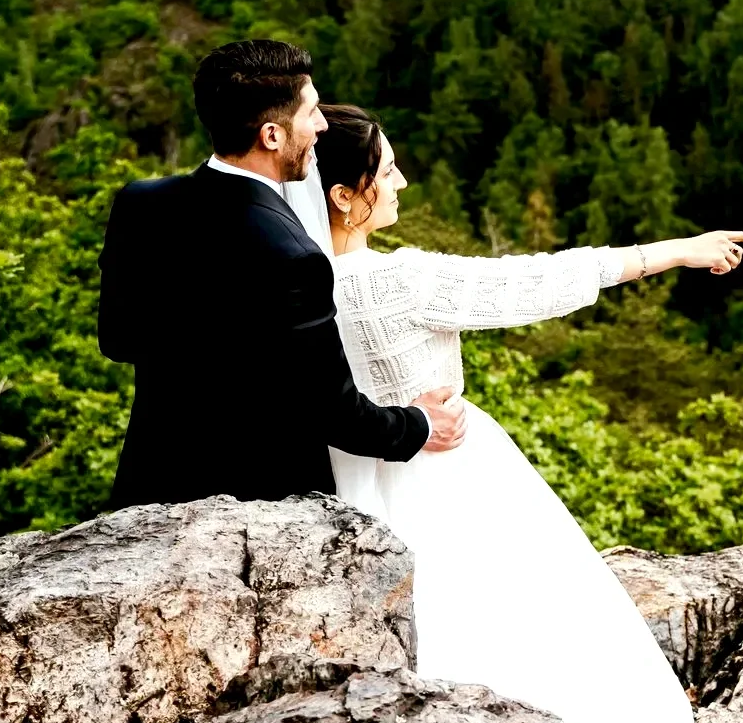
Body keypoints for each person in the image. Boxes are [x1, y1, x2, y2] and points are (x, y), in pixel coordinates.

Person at [311, 102, 743, 723]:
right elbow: (542, 281)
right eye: (389, 172)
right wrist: (681, 251)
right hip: (445, 476)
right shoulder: (401, 281)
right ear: (347, 195)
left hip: (345, 490)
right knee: (546, 645)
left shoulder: (288, 284)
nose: (403, 180)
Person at [98, 41, 468, 509]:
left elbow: (118, 340)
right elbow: (336, 414)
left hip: (150, 486)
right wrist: (421, 424)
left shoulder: (141, 202)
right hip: (257, 506)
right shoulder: (295, 256)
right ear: (272, 136)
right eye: (311, 112)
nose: (321, 126)